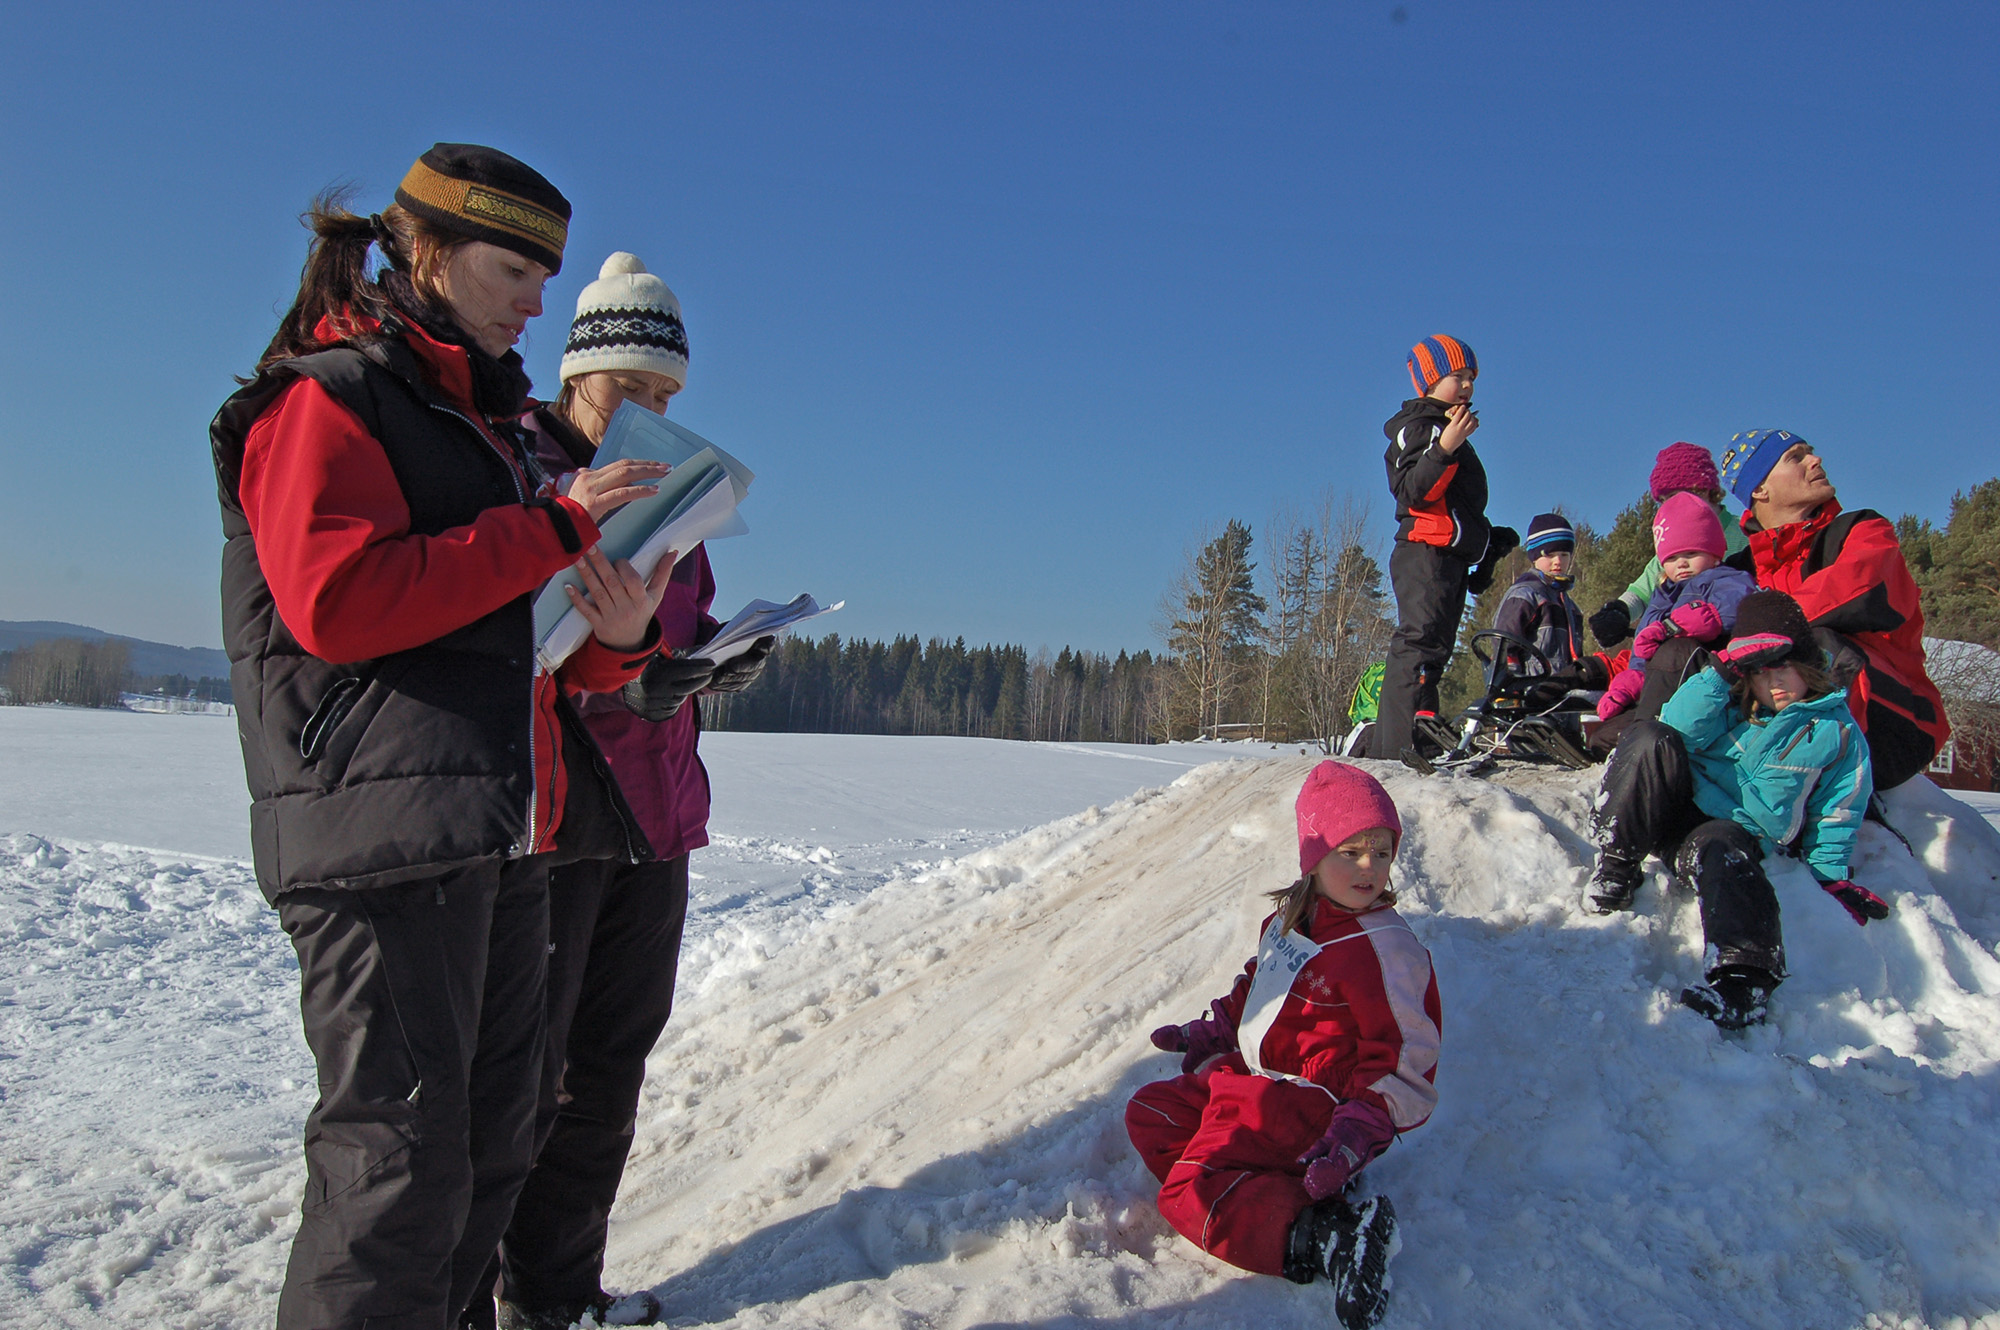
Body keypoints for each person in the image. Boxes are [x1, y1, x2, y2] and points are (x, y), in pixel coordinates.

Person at [210, 144, 676, 1329]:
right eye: (515, 265)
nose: (536, 297)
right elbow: (339, 600)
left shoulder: (478, 416)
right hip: (381, 830)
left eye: (545, 272)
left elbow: (517, 630)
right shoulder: (330, 394)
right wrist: (553, 529)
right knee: (396, 1169)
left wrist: (618, 640)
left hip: (498, 822)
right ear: (426, 249)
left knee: (499, 1133)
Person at [476, 253, 774, 1330]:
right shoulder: (520, 472)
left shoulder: (673, 490)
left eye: (667, 396)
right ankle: (479, 1297)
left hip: (654, 815)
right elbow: (502, 642)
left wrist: (708, 661)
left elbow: (672, 628)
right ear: (578, 374)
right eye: (632, 388)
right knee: (522, 1079)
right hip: (552, 816)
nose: (650, 411)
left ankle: (554, 1297)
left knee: (605, 1074)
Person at [1127, 762, 1440, 1329]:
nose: (1370, 867)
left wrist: (1359, 1129)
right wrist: (1213, 1032)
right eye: (1352, 851)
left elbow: (1405, 1060)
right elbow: (1257, 988)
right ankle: (1286, 1184)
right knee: (1151, 1114)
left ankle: (1326, 1236)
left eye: (1382, 851)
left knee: (1187, 1195)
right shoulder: (1294, 919)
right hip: (1260, 1086)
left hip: (1317, 1105)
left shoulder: (1384, 948)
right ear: (1314, 856)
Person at [1585, 592, 1885, 1028]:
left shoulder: (1836, 732)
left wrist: (1830, 877)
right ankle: (1616, 862)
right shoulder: (1729, 703)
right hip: (1670, 808)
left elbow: (1837, 811)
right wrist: (1722, 672)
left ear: (1808, 667)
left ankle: (1744, 982)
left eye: (1784, 668)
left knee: (1724, 848)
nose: (1775, 683)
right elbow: (1677, 727)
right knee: (1648, 734)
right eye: (1762, 674)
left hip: (1725, 834)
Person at [1719, 430, 1948, 790]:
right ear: (1760, 489)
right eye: (1796, 457)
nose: (1816, 460)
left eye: (1810, 452)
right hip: (1776, 727)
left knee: (1817, 645)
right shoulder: (1739, 572)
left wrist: (1754, 636)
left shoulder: (1862, 531)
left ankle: (1813, 790)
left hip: (1897, 724)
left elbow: (1855, 587)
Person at [1369, 336, 1518, 760]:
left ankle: (1421, 734)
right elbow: (1413, 492)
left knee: (1435, 651)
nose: (1468, 386)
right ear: (1430, 380)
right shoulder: (1416, 426)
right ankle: (1394, 748)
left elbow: (1459, 507)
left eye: (1471, 377)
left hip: (1449, 556)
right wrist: (1445, 447)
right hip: (1423, 553)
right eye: (1458, 376)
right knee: (1416, 645)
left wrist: (1489, 540)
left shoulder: (1450, 428)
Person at [1590, 493, 1756, 753]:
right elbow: (1643, 647)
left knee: (1675, 650)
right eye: (1671, 558)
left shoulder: (1724, 578)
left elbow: (1739, 604)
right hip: (1662, 689)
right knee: (1604, 735)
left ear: (1714, 553)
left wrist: (1700, 618)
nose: (1681, 564)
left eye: (1691, 553)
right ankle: (1618, 740)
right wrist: (1634, 677)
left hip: (1706, 681)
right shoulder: (1661, 596)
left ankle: (1645, 739)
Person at [1587, 442, 1751, 648]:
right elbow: (1642, 591)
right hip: (1684, 644)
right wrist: (1619, 612)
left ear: (1703, 491)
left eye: (1673, 498)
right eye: (1662, 500)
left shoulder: (1745, 533)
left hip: (1736, 641)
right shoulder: (1675, 544)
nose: (1667, 508)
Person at [1493, 513, 1586, 675]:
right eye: (1549, 554)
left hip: (1562, 687)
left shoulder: (1570, 607)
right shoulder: (1525, 594)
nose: (1558, 561)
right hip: (1531, 688)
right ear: (1535, 556)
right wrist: (1509, 687)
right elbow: (1505, 645)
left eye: (1564, 555)